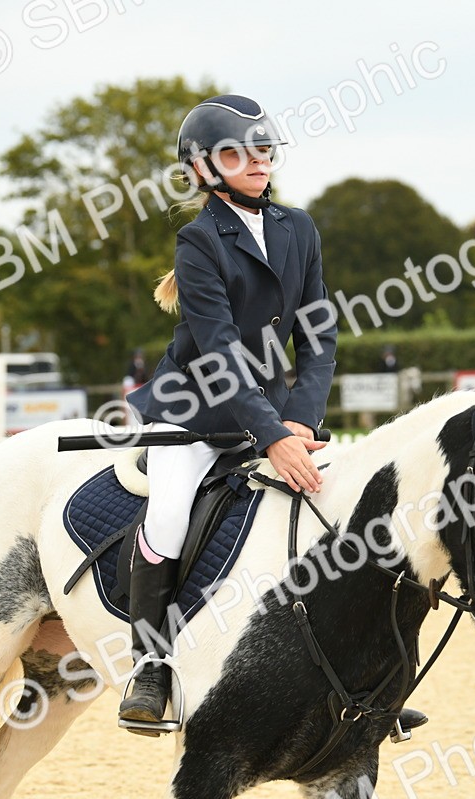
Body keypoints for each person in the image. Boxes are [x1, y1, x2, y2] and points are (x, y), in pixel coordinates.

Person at [118, 94, 345, 735]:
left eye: (263, 148)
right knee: (167, 513)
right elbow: (218, 355)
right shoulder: (197, 242)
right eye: (237, 151)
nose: (257, 160)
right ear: (203, 168)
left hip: (273, 413)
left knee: (337, 505)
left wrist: (300, 418)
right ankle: (151, 664)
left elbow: (318, 333)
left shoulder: (299, 228)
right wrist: (272, 434)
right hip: (193, 412)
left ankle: (346, 669)